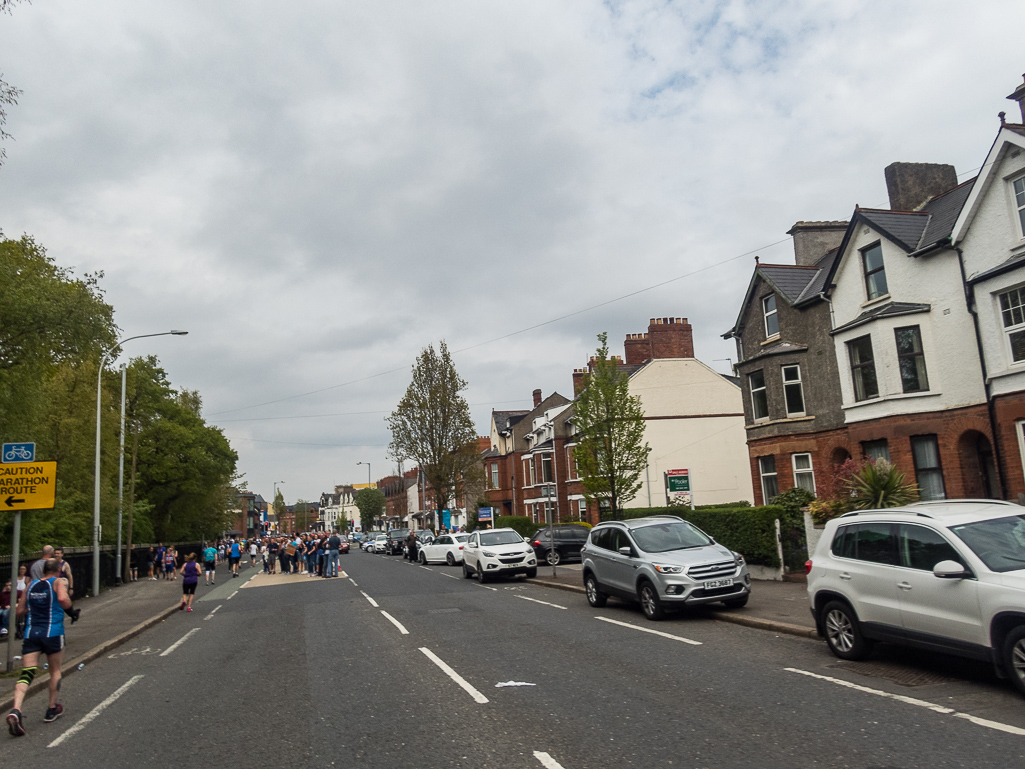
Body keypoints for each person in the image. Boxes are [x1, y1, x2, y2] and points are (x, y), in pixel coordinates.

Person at [6, 559, 80, 736]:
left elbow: (20, 610)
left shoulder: (30, 585)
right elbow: (62, 598)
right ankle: (51, 709)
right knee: (55, 671)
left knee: (27, 672)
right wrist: (71, 612)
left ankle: (16, 709)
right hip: (52, 632)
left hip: (32, 633)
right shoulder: (58, 582)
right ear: (57, 571)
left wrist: (35, 607)